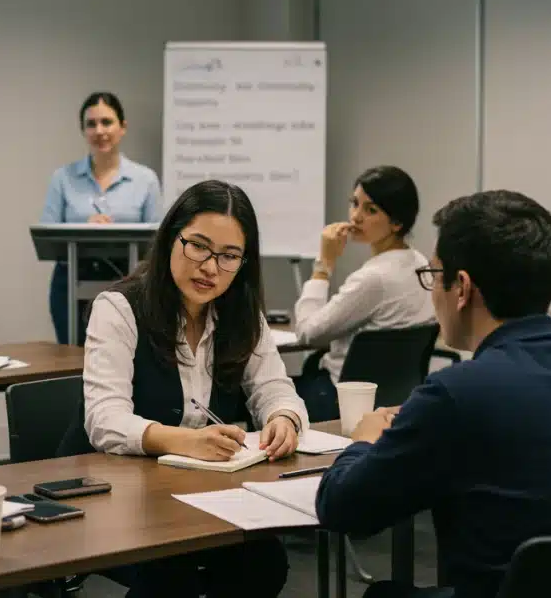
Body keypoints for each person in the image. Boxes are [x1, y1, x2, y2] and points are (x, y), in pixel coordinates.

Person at [316, 190, 551, 598]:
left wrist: (363, 441)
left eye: (433, 274)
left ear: (461, 287)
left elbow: (341, 509)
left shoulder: (456, 394)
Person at [60, 179, 307, 598]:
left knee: (263, 565)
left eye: (229, 256)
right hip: (118, 493)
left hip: (202, 495)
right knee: (171, 579)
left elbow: (276, 388)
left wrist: (284, 418)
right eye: (198, 246)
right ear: (171, 237)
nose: (210, 267)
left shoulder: (242, 314)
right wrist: (185, 441)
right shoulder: (119, 308)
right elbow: (104, 420)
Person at [292, 166, 434, 420]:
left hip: (340, 400)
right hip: (396, 402)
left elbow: (306, 334)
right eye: (354, 204)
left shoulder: (374, 278)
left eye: (371, 210)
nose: (356, 217)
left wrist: (324, 265)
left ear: (397, 222)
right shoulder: (419, 263)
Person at [40, 91, 162, 345]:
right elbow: (47, 233)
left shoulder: (145, 179)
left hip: (129, 284)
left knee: (125, 361)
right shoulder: (63, 178)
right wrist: (82, 229)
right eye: (91, 124)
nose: (99, 130)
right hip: (71, 280)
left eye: (107, 122)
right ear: (83, 130)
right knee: (71, 363)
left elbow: (157, 242)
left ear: (123, 127)